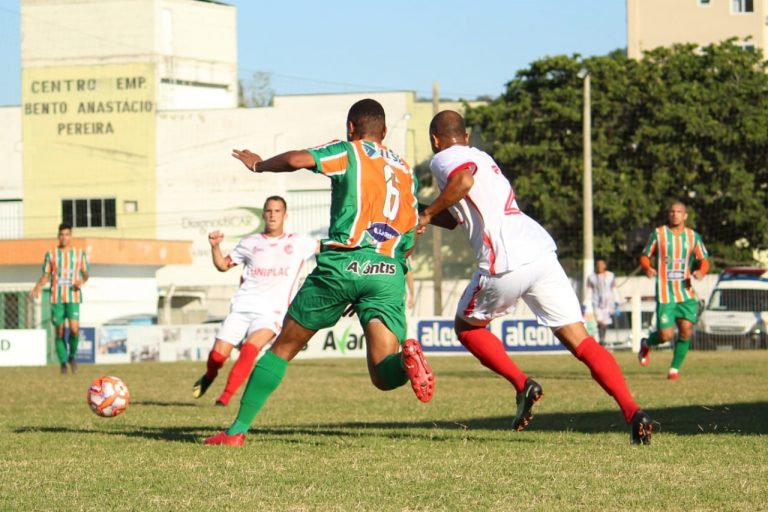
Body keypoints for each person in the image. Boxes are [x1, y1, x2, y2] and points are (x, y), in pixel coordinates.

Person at [205, 98, 434, 446]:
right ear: (385, 132)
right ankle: (407, 360)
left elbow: (298, 159)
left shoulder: (350, 150)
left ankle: (235, 433)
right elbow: (412, 229)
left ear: (352, 129)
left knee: (282, 348)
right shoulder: (405, 171)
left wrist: (260, 165)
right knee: (384, 374)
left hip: (343, 265)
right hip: (387, 271)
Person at [417, 110, 653, 445]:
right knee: (581, 341)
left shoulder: (445, 158)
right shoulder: (481, 156)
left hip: (505, 261)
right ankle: (633, 411)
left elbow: (463, 181)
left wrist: (425, 213)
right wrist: (420, 210)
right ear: (467, 136)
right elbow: (456, 217)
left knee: (467, 328)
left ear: (435, 139)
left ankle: (521, 383)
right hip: (540, 252)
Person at [192, 196, 317, 406]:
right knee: (217, 357)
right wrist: (215, 247)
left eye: (277, 211)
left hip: (273, 312)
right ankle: (209, 375)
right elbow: (223, 266)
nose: (272, 215)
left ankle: (224, 398)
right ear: (263, 215)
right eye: (269, 211)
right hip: (242, 307)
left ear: (285, 215)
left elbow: (331, 249)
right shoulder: (250, 243)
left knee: (251, 348)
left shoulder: (299, 243)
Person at [638, 201, 709, 380]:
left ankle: (674, 370)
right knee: (665, 335)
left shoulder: (693, 237)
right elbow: (645, 256)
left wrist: (701, 271)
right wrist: (647, 268)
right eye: (672, 211)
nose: (675, 214)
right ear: (669, 215)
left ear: (685, 215)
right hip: (665, 293)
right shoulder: (659, 233)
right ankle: (646, 344)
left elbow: (704, 259)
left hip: (685, 293)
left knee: (686, 331)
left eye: (679, 212)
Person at [31, 223, 89, 374]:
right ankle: (63, 362)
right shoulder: (51, 254)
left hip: (73, 296)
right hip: (57, 297)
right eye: (61, 234)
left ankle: (72, 357)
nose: (64, 237)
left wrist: (81, 281)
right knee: (60, 331)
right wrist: (38, 285)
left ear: (71, 236)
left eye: (67, 234)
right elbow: (46, 275)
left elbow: (86, 273)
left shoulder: (79, 253)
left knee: (75, 330)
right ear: (58, 236)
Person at [587, 258, 619, 346]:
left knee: (605, 323)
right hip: (596, 303)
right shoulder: (591, 278)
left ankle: (602, 339)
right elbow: (589, 291)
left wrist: (617, 302)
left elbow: (614, 289)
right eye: (598, 264)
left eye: (601, 264)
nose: (599, 266)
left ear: (605, 265)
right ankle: (601, 339)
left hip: (608, 303)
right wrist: (586, 303)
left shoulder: (610, 276)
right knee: (599, 321)